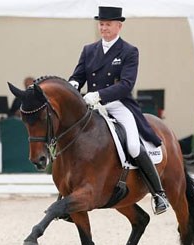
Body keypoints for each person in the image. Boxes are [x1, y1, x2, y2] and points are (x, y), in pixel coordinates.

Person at [68, 6, 169, 215]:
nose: (103, 28)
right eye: (101, 24)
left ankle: (159, 194)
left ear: (118, 26)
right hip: (91, 105)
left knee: (133, 145)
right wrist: (73, 85)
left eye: (108, 24)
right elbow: (78, 75)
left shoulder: (128, 51)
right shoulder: (89, 50)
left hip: (118, 105)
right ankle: (68, 193)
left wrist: (100, 95)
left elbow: (126, 84)